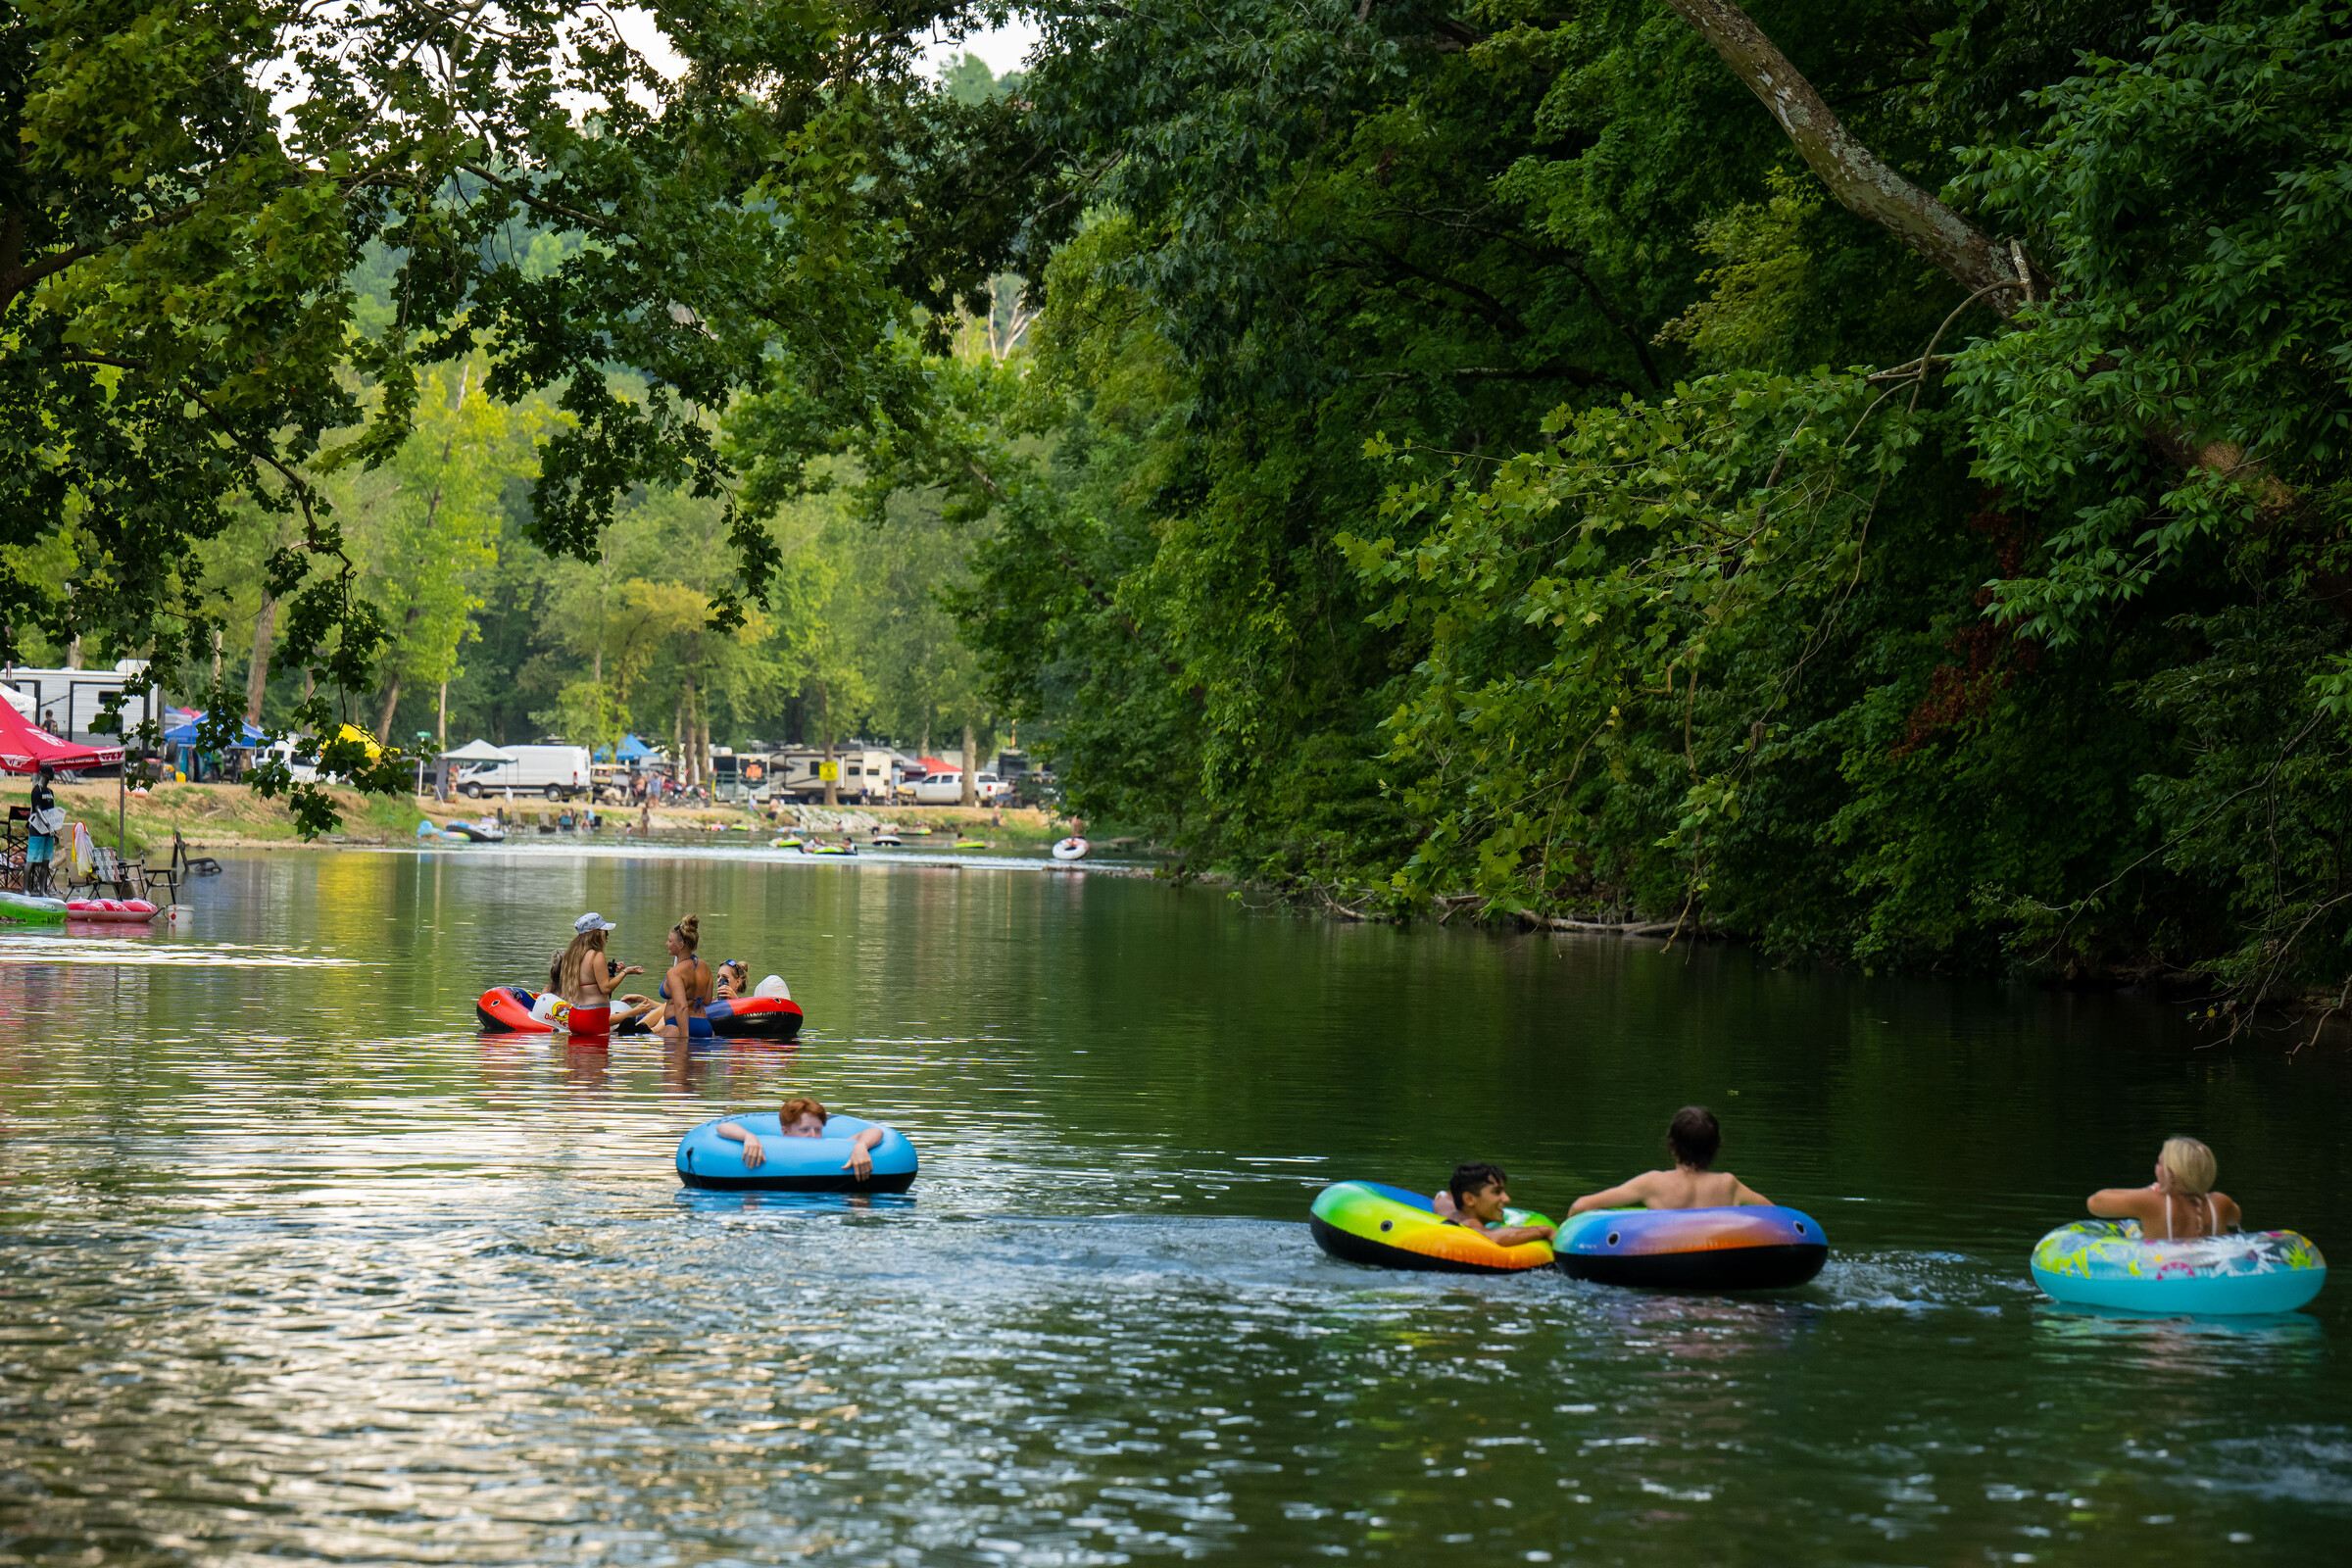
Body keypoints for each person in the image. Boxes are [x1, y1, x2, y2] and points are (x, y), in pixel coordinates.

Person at [1568, 1105, 1773, 1213]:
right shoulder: (1729, 1184)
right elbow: (1774, 1213)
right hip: (1716, 1271)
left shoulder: (1654, 1182)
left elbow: (1581, 1206)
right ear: (1716, 1146)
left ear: (1672, 1145)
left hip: (1663, 1269)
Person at [2087, 1136, 2241, 1241]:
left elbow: (2094, 1203)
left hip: (2160, 1282)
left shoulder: (2152, 1201)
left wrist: (2149, 1190)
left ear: (2171, 1175)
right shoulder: (2220, 1203)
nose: (2156, 1167)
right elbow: (2236, 1219)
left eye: (2160, 1163)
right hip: (2209, 1281)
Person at [717, 1096, 888, 1180]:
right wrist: (748, 1136)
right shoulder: (770, 1146)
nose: (813, 1136)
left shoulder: (833, 1149)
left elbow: (876, 1132)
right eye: (805, 1129)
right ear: (786, 1131)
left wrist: (861, 1145)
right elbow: (722, 1126)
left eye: (818, 1129)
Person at [1428, 1161, 1556, 1246]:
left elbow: (1442, 1196)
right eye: (1497, 1192)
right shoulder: (1470, 1224)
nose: (1507, 1199)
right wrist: (1545, 1231)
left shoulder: (1446, 1209)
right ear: (1469, 1199)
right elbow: (1489, 1238)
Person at [558, 913, 641, 1035]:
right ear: (597, 933)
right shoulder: (597, 955)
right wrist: (625, 973)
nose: (607, 935)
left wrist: (609, 971)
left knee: (575, 1053)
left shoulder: (573, 955)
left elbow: (589, 977)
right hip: (593, 1017)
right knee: (598, 1053)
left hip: (575, 1015)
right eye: (605, 931)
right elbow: (605, 988)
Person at [654, 912, 714, 1042]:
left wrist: (684, 1039)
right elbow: (707, 1000)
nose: (666, 943)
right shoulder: (705, 967)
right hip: (704, 1027)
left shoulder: (674, 972)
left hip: (679, 1027)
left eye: (670, 941)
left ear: (680, 945)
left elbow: (681, 1007)